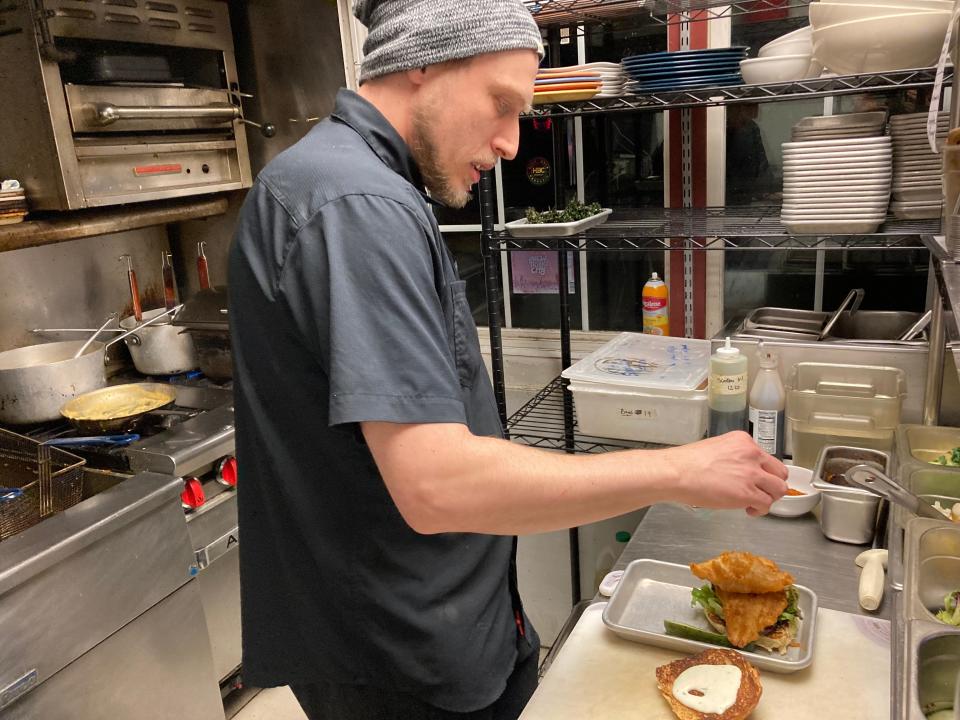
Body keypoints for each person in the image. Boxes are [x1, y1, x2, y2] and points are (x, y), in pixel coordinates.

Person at [227, 1, 789, 718]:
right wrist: (682, 470)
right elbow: (435, 486)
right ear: (421, 62)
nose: (510, 143)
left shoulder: (349, 183)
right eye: (501, 104)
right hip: (401, 653)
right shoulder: (356, 204)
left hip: (419, 621)